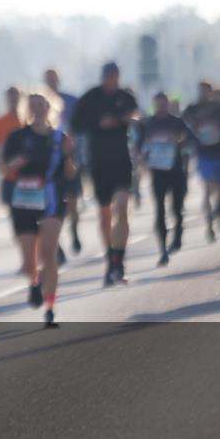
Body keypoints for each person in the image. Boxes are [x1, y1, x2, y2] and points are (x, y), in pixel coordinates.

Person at [3, 93, 75, 326]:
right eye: (33, 105)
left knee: (49, 253)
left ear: (49, 107)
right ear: (28, 109)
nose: (38, 108)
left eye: (42, 104)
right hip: (24, 201)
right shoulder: (17, 137)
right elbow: (4, 168)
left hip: (51, 199)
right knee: (28, 262)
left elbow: (71, 172)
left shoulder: (59, 138)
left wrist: (69, 161)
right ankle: (34, 282)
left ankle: (50, 309)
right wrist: (16, 164)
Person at [70, 62, 138, 286]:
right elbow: (76, 124)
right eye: (109, 76)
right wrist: (98, 123)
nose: (112, 79)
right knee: (105, 215)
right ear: (103, 77)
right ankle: (110, 258)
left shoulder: (126, 97)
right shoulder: (91, 98)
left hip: (121, 160)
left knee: (122, 209)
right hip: (98, 162)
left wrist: (123, 120)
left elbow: (136, 116)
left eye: (115, 76)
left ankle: (119, 259)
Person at [138, 92, 197, 264]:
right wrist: (142, 157)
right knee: (160, 210)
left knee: (177, 208)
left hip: (176, 171)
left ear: (168, 105)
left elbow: (193, 139)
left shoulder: (176, 122)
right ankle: (163, 249)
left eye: (164, 104)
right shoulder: (148, 124)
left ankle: (178, 233)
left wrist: (180, 141)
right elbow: (139, 147)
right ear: (154, 105)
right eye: (158, 105)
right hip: (157, 172)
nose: (161, 108)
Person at [183, 82, 220, 242]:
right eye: (200, 90)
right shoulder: (192, 108)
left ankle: (219, 213)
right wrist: (193, 132)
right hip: (205, 154)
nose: (203, 93)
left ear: (211, 92)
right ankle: (209, 224)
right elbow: (184, 124)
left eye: (206, 90)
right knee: (207, 189)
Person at [45, 69, 83, 254]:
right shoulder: (39, 101)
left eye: (54, 79)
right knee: (52, 206)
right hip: (50, 162)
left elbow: (79, 126)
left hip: (70, 157)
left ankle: (74, 230)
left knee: (73, 202)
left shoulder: (71, 101)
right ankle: (57, 245)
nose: (51, 82)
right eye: (48, 80)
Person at [0, 86, 22, 209]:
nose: (14, 99)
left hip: (28, 175)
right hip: (9, 173)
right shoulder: (0, 122)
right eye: (11, 96)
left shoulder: (26, 120)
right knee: (13, 209)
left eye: (16, 96)